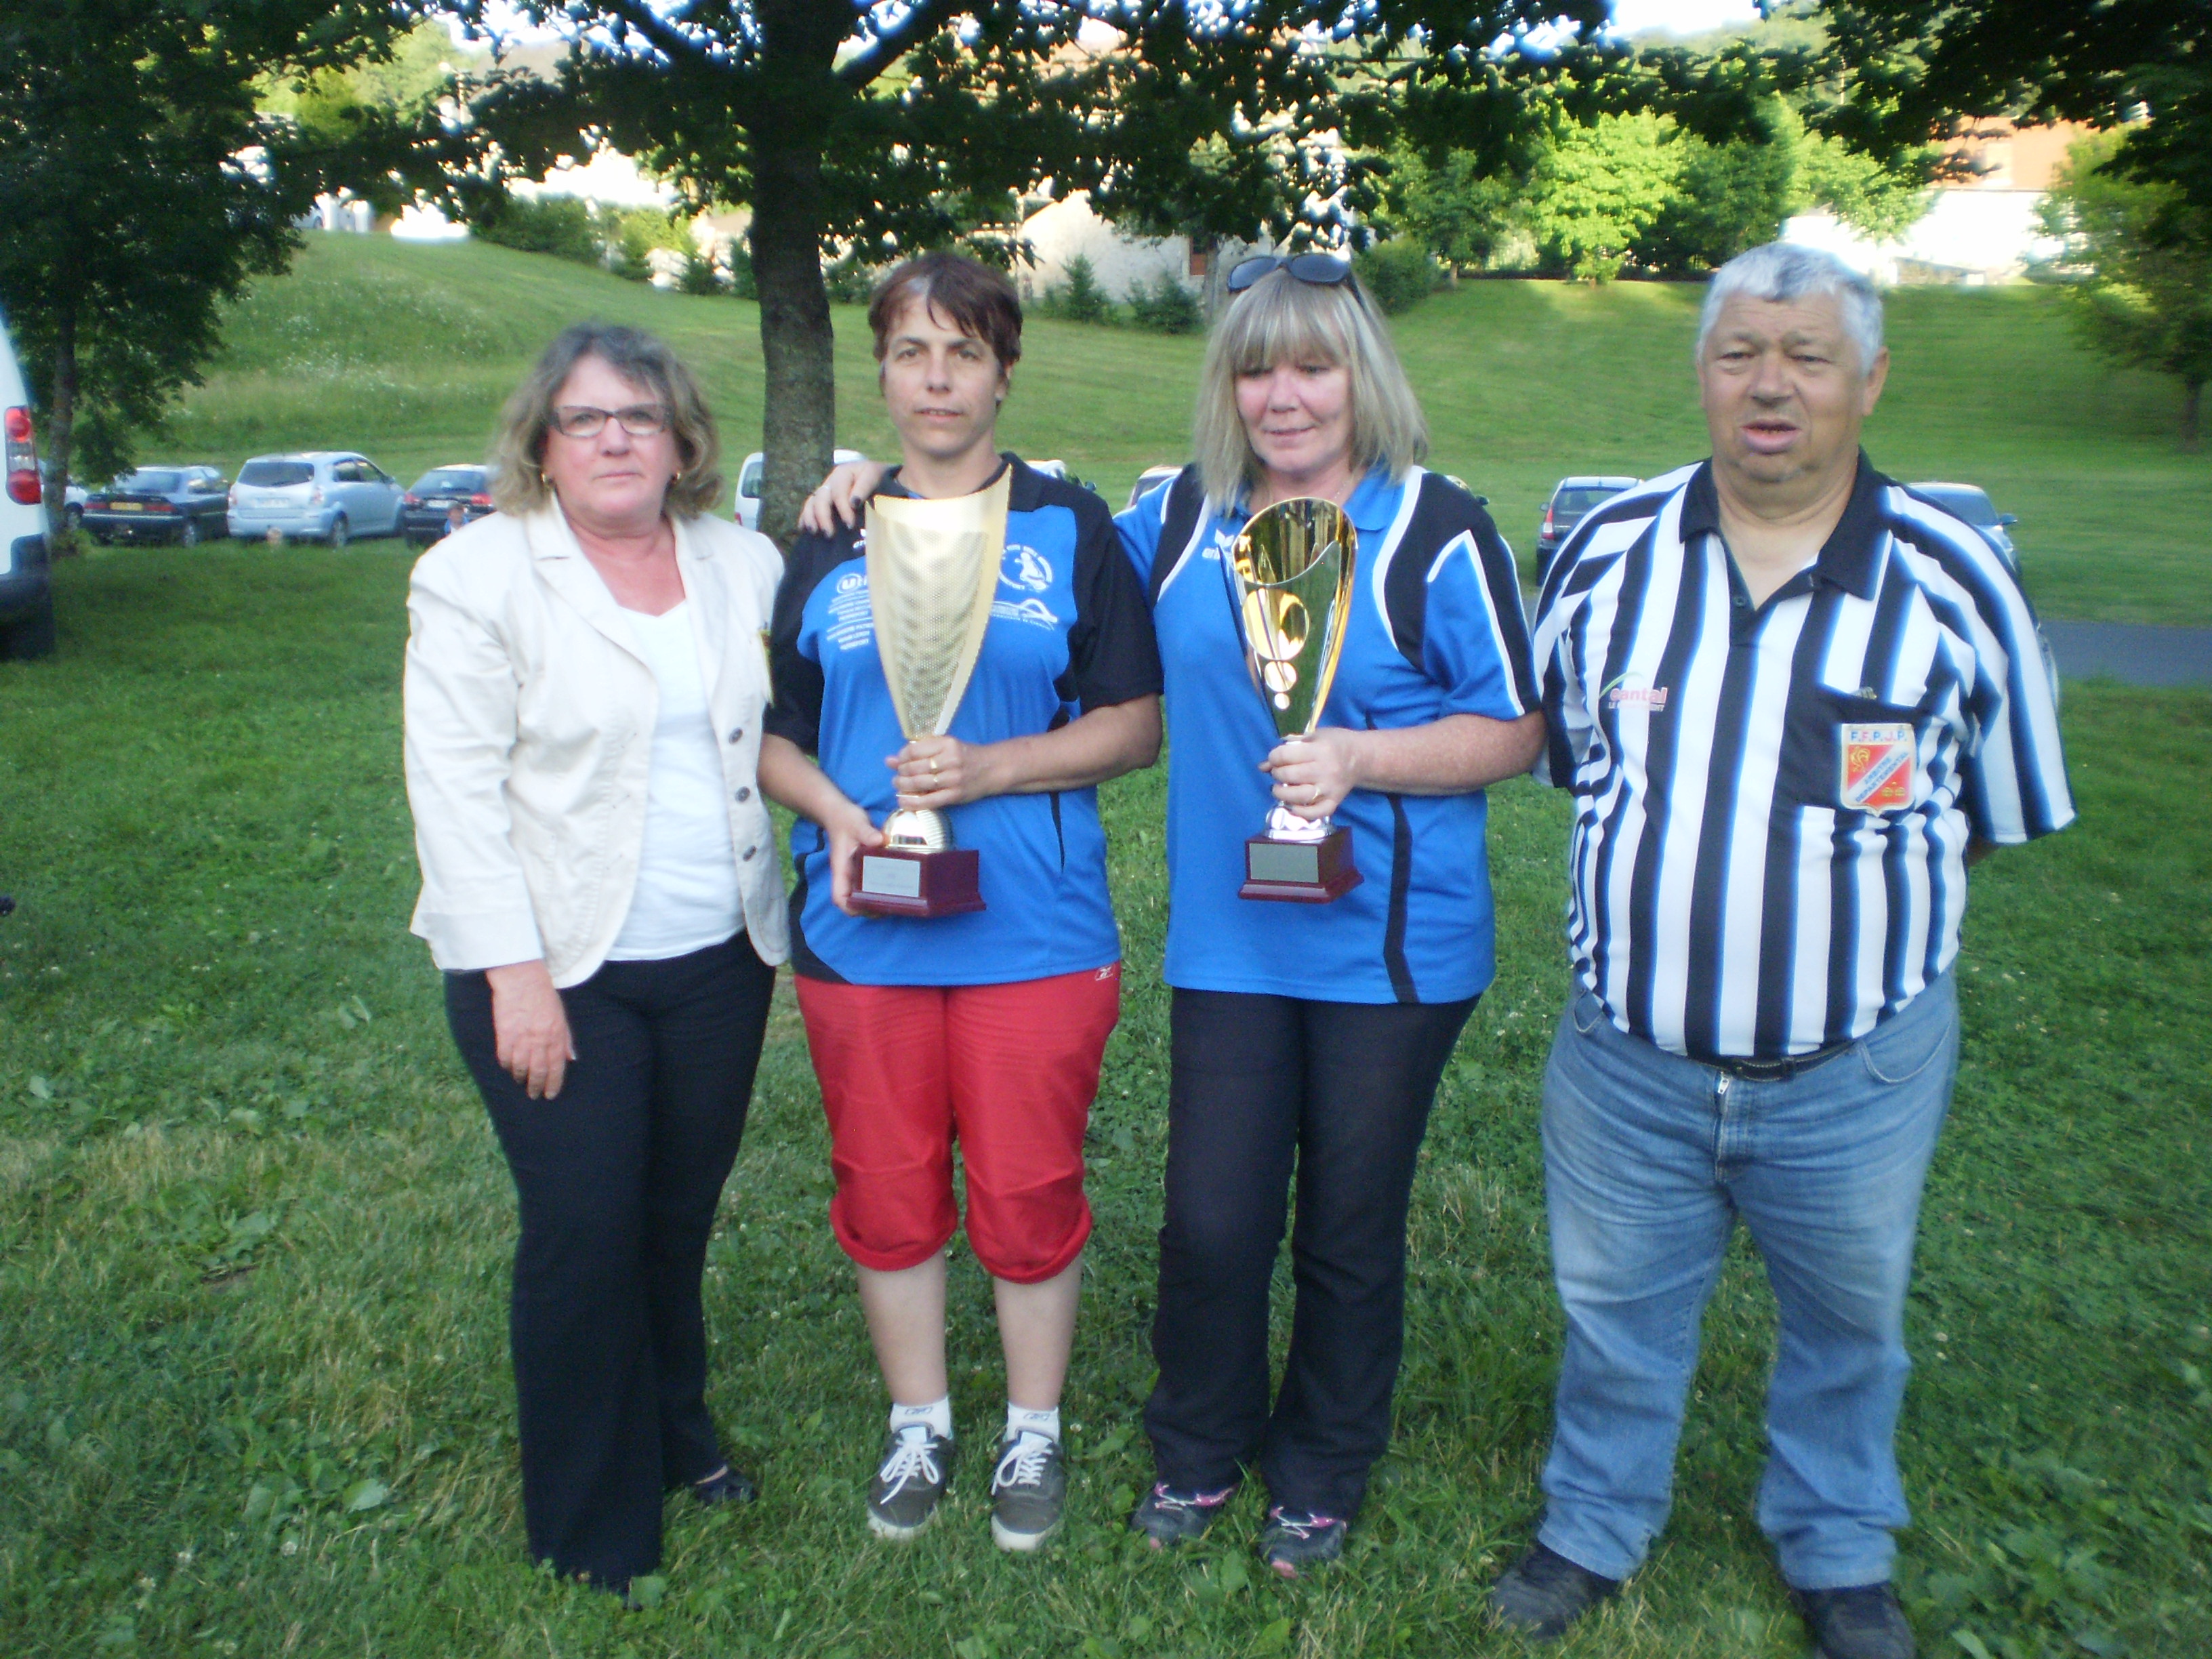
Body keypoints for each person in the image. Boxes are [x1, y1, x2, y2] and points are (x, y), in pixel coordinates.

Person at [813, 255, 1545, 1572]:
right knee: (1212, 1219)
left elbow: (1515, 728)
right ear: (1227, 384)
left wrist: (1366, 758)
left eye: (1314, 365)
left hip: (1394, 947)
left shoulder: (1437, 524)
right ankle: (1198, 1450)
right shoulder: (1175, 523)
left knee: (1348, 1225)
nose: (1285, 396)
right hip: (1232, 942)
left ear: (1361, 375)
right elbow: (1011, 517)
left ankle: (1319, 1468)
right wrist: (876, 485)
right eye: (1256, 368)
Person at [1492, 243, 2074, 1658]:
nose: (1772, 385)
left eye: (1807, 356)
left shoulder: (1954, 582)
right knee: (1617, 1310)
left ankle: (1836, 1542)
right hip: (1629, 1063)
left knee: (1850, 1324)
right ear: (1701, 372)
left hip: (1854, 1069)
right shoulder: (1607, 553)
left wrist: (1839, 909)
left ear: (1868, 380)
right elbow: (1573, 755)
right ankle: (1594, 1521)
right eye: (1742, 352)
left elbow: (1986, 815)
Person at [758, 252, 1163, 1553]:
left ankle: (1032, 1431)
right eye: (912, 352)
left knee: (1029, 1185)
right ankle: (919, 1421)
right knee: (883, 1183)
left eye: (965, 352)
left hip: (1032, 933)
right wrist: (832, 813)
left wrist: (997, 768)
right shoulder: (829, 528)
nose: (937, 379)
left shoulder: (1070, 526)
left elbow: (1135, 722)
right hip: (859, 928)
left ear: (1005, 371)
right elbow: (774, 731)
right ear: (879, 369)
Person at [403, 323, 787, 1593]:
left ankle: (678, 1431)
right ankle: (590, 1521)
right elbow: (453, 790)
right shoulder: (477, 575)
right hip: (558, 968)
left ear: (684, 443)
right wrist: (514, 974)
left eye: (640, 415)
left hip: (721, 956)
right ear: (543, 445)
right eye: (585, 419)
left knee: (672, 1224)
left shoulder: (745, 560)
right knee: (583, 1230)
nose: (616, 437)